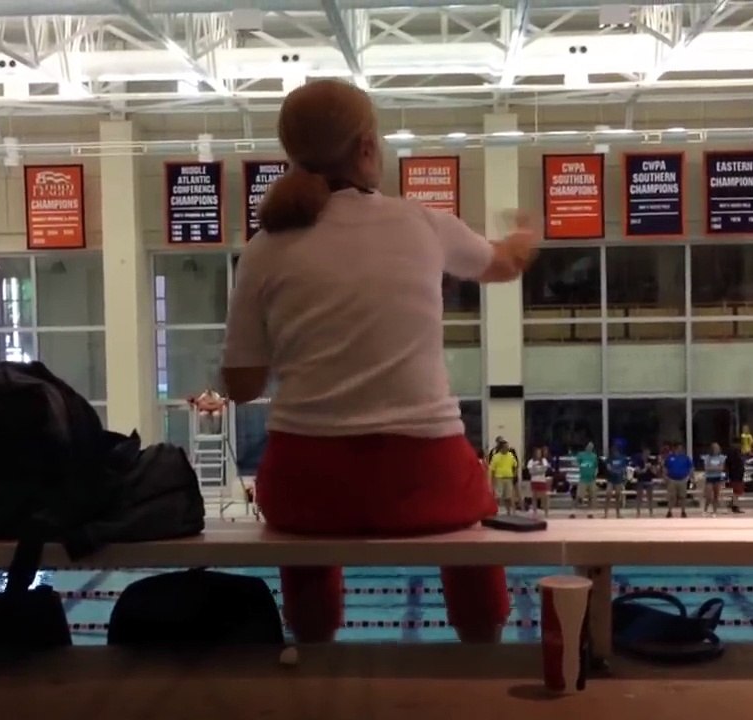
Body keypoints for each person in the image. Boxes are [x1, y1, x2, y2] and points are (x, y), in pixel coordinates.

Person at [220, 80, 537, 644]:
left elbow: (241, 386)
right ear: (367, 148)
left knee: (303, 518)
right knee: (472, 515)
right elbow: (503, 266)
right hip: (427, 478)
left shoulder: (264, 248)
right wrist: (524, 237)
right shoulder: (423, 223)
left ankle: (313, 647)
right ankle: (482, 645)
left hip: (305, 489)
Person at [663, 443, 692, 519]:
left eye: (681, 448)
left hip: (682, 479)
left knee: (683, 497)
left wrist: (688, 477)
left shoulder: (685, 458)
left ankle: (683, 511)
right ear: (675, 448)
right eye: (679, 448)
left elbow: (690, 468)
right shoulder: (669, 457)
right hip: (672, 480)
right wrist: (665, 477)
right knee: (671, 497)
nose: (680, 449)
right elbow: (665, 468)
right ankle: (669, 511)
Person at [631, 446, 658, 517]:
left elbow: (655, 472)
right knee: (639, 497)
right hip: (641, 480)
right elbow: (638, 472)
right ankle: (638, 512)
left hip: (649, 480)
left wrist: (651, 468)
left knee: (650, 497)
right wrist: (645, 468)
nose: (647, 454)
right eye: (646, 453)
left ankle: (651, 512)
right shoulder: (638, 461)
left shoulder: (651, 461)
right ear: (643, 453)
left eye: (648, 453)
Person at [701, 442, 726, 517]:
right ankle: (705, 510)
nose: (716, 449)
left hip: (717, 478)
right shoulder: (707, 457)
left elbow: (721, 468)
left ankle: (714, 511)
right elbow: (706, 468)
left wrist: (713, 467)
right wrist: (716, 468)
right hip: (709, 478)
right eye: (714, 448)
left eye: (717, 448)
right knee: (709, 496)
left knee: (716, 495)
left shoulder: (721, 457)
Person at [525, 447, 551, 517]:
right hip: (534, 480)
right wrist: (538, 470)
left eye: (539, 453)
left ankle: (546, 512)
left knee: (544, 497)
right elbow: (531, 472)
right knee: (534, 497)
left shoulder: (544, 460)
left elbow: (544, 470)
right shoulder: (531, 461)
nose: (538, 454)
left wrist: (536, 470)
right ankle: (535, 511)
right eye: (537, 453)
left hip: (542, 481)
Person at [604, 447, 628, 519]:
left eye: (616, 451)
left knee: (618, 497)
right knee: (608, 495)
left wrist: (621, 473)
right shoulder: (609, 458)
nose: (615, 452)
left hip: (618, 479)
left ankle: (618, 514)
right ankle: (606, 514)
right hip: (611, 479)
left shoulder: (622, 458)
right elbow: (608, 468)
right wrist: (616, 471)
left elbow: (624, 468)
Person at [574, 442, 599, 508]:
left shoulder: (594, 456)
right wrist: (582, 466)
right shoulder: (581, 454)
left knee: (593, 496)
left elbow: (596, 466)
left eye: (591, 447)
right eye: (589, 446)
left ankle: (591, 509)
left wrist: (595, 473)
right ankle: (575, 509)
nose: (590, 448)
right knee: (579, 496)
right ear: (586, 447)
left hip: (591, 479)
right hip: (583, 478)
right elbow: (576, 462)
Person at [725, 441, 746, 514]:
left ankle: (733, 504)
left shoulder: (729, 458)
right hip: (736, 476)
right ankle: (735, 506)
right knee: (736, 492)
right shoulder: (737, 458)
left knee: (735, 492)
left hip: (734, 476)